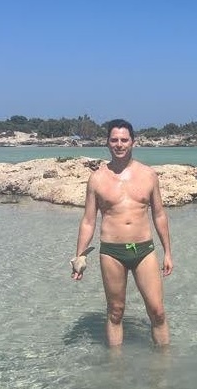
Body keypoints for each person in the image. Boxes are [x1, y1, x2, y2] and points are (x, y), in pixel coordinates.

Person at [70, 118, 173, 347]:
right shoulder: (97, 179)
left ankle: (164, 364)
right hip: (112, 252)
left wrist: (167, 252)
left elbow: (159, 215)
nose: (119, 144)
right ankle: (116, 366)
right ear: (107, 142)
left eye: (124, 140)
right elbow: (88, 221)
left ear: (133, 142)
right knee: (115, 312)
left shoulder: (148, 175)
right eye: (114, 140)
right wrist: (79, 256)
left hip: (144, 250)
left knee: (157, 312)